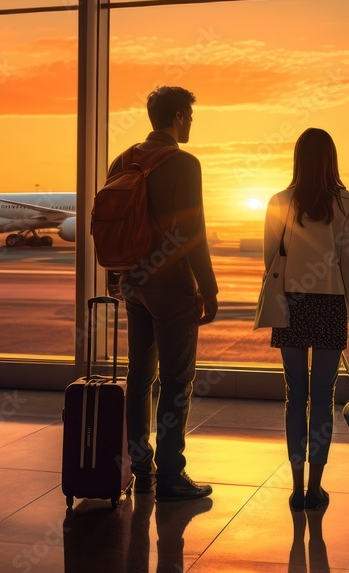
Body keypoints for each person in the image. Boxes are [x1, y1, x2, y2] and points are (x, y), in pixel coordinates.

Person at [106, 86, 218, 502]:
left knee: (140, 377)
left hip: (133, 281)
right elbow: (193, 232)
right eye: (189, 115)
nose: (191, 122)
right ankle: (171, 471)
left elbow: (112, 222)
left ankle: (140, 465)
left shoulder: (123, 159)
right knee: (176, 380)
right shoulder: (184, 163)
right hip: (171, 285)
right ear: (177, 117)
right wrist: (208, 288)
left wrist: (117, 274)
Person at [260, 127, 349, 511]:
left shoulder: (280, 200)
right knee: (323, 398)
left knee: (296, 396)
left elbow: (270, 260)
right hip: (330, 306)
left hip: (291, 303)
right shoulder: (343, 202)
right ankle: (315, 486)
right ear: (331, 160)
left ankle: (294, 485)